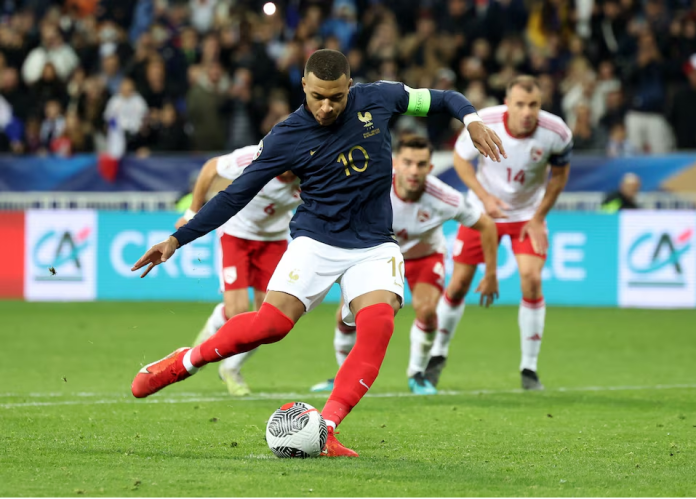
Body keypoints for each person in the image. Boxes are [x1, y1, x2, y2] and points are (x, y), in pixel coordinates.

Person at [130, 49, 505, 457]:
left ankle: (324, 430)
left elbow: (443, 98)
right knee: (270, 327)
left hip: (374, 244)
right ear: (304, 86)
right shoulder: (285, 136)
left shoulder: (380, 97)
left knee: (378, 325)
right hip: (316, 240)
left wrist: (471, 120)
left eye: (336, 98)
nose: (326, 107)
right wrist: (177, 239)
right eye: (318, 97)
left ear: (350, 88)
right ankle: (187, 361)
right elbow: (236, 194)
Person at [309, 135, 499, 396]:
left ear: (430, 168)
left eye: (421, 164)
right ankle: (343, 376)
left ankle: (417, 375)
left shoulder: (445, 198)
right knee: (347, 316)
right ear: (395, 162)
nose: (414, 170)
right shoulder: (372, 185)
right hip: (377, 256)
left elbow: (486, 225)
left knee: (428, 311)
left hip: (423, 257)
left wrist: (490, 273)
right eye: (407, 162)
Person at [434, 76, 573, 392]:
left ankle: (529, 368)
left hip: (526, 214)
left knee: (532, 279)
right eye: (520, 104)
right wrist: (484, 197)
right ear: (507, 103)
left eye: (534, 104)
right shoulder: (484, 121)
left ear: (541, 104)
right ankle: (437, 354)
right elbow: (460, 159)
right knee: (458, 284)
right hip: (485, 210)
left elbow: (559, 176)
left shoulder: (557, 132)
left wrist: (539, 217)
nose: (527, 112)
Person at [174, 142, 301, 397]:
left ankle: (230, 368)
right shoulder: (254, 157)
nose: (288, 174)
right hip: (236, 234)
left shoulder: (316, 169)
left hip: (274, 240)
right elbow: (211, 168)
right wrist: (191, 212)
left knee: (270, 319)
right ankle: (215, 324)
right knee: (237, 312)